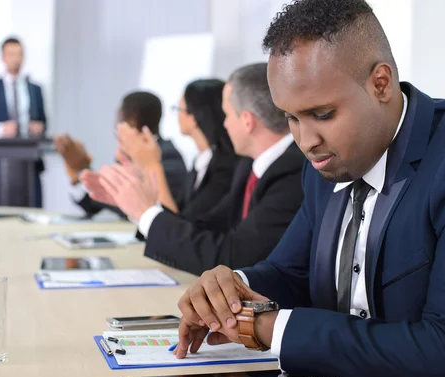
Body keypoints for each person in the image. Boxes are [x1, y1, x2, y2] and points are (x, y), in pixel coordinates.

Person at [174, 1, 445, 377]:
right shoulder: (327, 162)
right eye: (291, 118)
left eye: (322, 114)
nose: (305, 141)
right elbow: (290, 273)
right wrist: (230, 292)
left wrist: (265, 327)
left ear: (381, 83)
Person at [94, 63, 304, 274]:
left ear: (247, 121)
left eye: (228, 115)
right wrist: (140, 209)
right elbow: (201, 227)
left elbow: (233, 256)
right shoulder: (249, 166)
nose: (225, 125)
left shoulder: (293, 173)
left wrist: (147, 212)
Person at [82, 79, 238, 222]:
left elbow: (177, 226)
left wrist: (152, 166)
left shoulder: (221, 167)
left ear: (194, 117)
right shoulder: (201, 161)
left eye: (179, 109)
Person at [53, 91, 186, 219]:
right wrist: (78, 172)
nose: (116, 126)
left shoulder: (168, 157)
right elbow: (96, 204)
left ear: (132, 122)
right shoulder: (125, 155)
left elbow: (150, 212)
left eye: (119, 117)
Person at [0, 37, 47, 207]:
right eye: (11, 54)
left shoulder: (35, 89)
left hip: (30, 163)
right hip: (1, 163)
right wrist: (0, 129)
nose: (16, 58)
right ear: (3, 57)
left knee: (34, 209)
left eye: (19, 54)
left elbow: (44, 123)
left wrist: (38, 127)